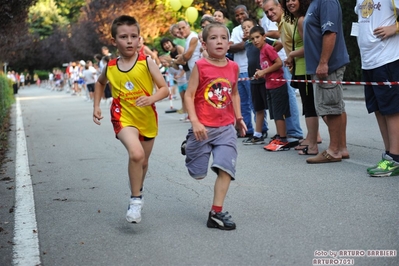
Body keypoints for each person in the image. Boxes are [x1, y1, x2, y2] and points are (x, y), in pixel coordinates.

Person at [93, 15, 169, 223]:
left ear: (139, 40)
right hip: (123, 118)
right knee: (136, 154)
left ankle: (138, 189)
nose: (129, 41)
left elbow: (164, 89)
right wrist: (97, 106)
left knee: (143, 162)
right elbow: (100, 84)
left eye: (133, 36)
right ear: (114, 40)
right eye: (124, 37)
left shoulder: (147, 63)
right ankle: (135, 200)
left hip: (147, 119)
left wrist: (151, 98)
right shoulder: (110, 67)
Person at [184, 22, 247, 230]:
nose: (218, 41)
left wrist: (239, 118)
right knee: (198, 173)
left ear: (229, 44)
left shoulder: (233, 67)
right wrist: (194, 121)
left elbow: (235, 93)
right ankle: (189, 143)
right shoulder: (200, 66)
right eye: (213, 38)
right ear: (204, 43)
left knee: (225, 168)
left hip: (226, 128)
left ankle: (216, 213)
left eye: (222, 38)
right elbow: (189, 94)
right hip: (202, 127)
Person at [354, 1, 399, 176]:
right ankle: (389, 155)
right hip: (368, 62)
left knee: (392, 110)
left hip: (387, 58)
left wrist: (395, 28)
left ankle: (395, 157)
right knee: (378, 109)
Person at [302, 0, 349, 164]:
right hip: (323, 65)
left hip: (328, 65)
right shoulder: (315, 3)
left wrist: (323, 62)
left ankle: (333, 150)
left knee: (331, 106)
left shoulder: (326, 1)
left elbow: (330, 32)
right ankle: (341, 148)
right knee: (333, 105)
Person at [262, 0, 303, 141]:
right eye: (266, 12)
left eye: (272, 9)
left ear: (280, 6)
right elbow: (283, 42)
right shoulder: (281, 23)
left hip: (296, 64)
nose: (269, 13)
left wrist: (291, 56)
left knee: (292, 97)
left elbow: (301, 42)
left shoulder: (287, 21)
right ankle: (292, 132)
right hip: (291, 63)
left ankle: (295, 132)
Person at [282, 0, 319, 156]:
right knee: (308, 106)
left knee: (310, 108)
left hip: (306, 69)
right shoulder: (298, 19)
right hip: (300, 68)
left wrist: (291, 54)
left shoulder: (302, 20)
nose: (290, 3)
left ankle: (312, 145)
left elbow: (309, 46)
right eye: (287, 1)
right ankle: (311, 140)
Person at [229, 5, 268, 139]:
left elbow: (263, 43)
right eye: (237, 15)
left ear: (247, 13)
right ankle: (246, 129)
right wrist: (244, 41)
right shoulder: (235, 30)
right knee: (243, 102)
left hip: (252, 71)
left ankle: (262, 129)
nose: (240, 17)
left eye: (242, 13)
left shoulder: (256, 27)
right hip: (238, 71)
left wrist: (245, 41)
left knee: (255, 103)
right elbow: (231, 47)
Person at [250, 26, 291, 152]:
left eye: (257, 37)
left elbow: (279, 63)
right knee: (274, 113)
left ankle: (283, 139)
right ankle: (279, 135)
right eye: (252, 39)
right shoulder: (262, 51)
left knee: (279, 113)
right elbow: (267, 67)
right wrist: (260, 72)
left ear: (264, 37)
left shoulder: (268, 48)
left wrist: (264, 71)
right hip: (269, 86)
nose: (255, 40)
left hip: (278, 85)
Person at [242, 18, 281, 145]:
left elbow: (278, 44)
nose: (246, 29)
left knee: (273, 108)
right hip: (253, 80)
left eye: (249, 26)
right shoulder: (248, 44)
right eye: (244, 27)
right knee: (258, 108)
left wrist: (271, 58)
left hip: (265, 80)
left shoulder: (265, 42)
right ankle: (257, 134)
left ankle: (280, 134)